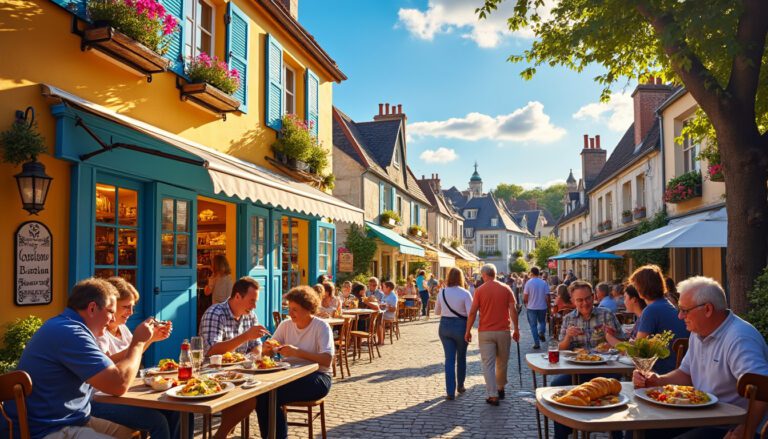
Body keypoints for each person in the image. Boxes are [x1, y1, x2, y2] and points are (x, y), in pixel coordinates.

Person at [5, 278, 154, 439]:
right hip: (47, 430)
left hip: (72, 420)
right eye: (111, 311)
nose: (112, 319)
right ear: (92, 308)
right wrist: (138, 342)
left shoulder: (66, 325)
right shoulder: (70, 332)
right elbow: (119, 384)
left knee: (134, 435)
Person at [633, 276, 768, 439]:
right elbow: (686, 373)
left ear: (708, 309)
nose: (680, 317)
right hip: (701, 416)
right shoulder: (698, 333)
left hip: (730, 426)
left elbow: (762, 389)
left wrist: (743, 431)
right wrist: (657, 380)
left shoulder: (739, 338)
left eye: (684, 310)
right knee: (639, 430)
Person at [214, 286, 334, 439]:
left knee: (269, 396)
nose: (290, 313)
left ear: (308, 308)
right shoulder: (286, 325)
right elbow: (267, 351)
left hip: (318, 377)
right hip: (289, 375)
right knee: (264, 394)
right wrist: (268, 348)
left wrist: (296, 352)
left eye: (295, 310)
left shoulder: (321, 326)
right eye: (289, 308)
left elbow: (327, 359)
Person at [90, 277, 181, 439]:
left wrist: (151, 338)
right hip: (100, 399)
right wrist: (140, 340)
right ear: (111, 305)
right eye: (126, 307)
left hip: (125, 394)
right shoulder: (98, 332)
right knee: (158, 421)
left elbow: (134, 352)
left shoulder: (123, 329)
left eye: (133, 307)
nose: (131, 312)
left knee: (177, 410)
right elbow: (107, 363)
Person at [553, 280, 623, 439]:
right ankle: (564, 432)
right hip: (577, 369)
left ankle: (615, 431)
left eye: (587, 298)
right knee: (556, 386)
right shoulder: (569, 319)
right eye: (579, 300)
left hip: (606, 369)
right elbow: (561, 349)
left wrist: (610, 336)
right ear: (572, 301)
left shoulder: (606, 314)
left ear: (593, 297)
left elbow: (622, 346)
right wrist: (568, 337)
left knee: (613, 391)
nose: (584, 303)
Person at [465, 264, 520, 406]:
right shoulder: (506, 288)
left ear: (484, 275)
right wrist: (517, 329)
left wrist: (468, 330)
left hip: (485, 332)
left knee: (488, 364)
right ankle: (500, 388)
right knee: (501, 362)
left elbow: (472, 312)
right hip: (503, 331)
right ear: (495, 274)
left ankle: (492, 394)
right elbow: (513, 310)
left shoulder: (479, 290)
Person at [624, 265, 689, 374]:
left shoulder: (651, 310)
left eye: (636, 285)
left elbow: (638, 351)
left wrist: (629, 345)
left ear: (641, 288)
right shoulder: (669, 305)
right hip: (680, 370)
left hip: (659, 373)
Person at [200, 276, 269, 356]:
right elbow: (210, 350)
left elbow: (256, 345)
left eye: (255, 301)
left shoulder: (251, 316)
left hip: (242, 368)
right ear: (237, 297)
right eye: (252, 301)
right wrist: (246, 336)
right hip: (215, 367)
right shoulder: (215, 313)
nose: (254, 306)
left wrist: (253, 361)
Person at [435, 268, 473, 400]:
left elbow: (436, 312)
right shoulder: (465, 293)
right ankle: (460, 385)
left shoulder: (442, 292)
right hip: (460, 326)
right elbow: (471, 314)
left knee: (449, 360)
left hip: (444, 326)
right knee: (461, 357)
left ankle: (450, 391)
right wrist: (469, 330)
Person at [523, 267, 550, 349]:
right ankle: (541, 332)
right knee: (542, 321)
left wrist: (526, 303)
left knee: (533, 325)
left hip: (531, 307)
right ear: (539, 273)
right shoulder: (543, 282)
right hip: (542, 306)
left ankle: (537, 343)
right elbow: (547, 296)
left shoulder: (528, 283)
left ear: (531, 273)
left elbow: (525, 296)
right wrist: (548, 305)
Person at [378, 281, 399, 345]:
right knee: (373, 318)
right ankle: (379, 339)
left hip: (389, 315)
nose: (382, 288)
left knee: (377, 320)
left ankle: (380, 341)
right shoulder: (385, 294)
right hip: (383, 313)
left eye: (383, 287)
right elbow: (382, 303)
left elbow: (394, 309)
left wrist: (387, 306)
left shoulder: (393, 296)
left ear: (388, 288)